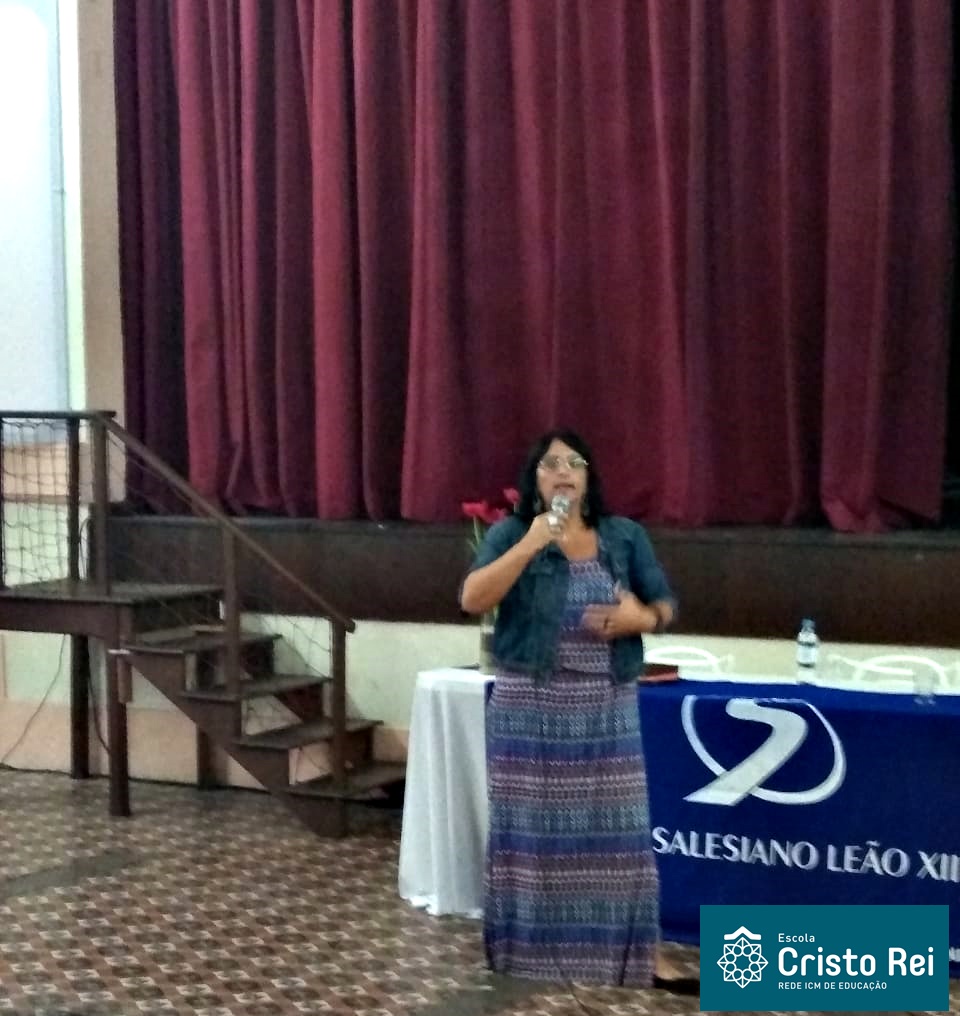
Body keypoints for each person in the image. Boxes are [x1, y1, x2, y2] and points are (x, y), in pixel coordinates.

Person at [460, 428, 697, 993]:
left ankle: (635, 956)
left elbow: (665, 602)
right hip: (529, 705)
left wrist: (644, 618)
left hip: (607, 705)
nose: (563, 471)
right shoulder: (512, 533)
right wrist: (529, 543)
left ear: (589, 477)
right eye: (550, 464)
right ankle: (527, 955)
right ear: (535, 480)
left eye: (575, 462)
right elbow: (472, 599)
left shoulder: (624, 536)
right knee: (530, 837)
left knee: (621, 837)